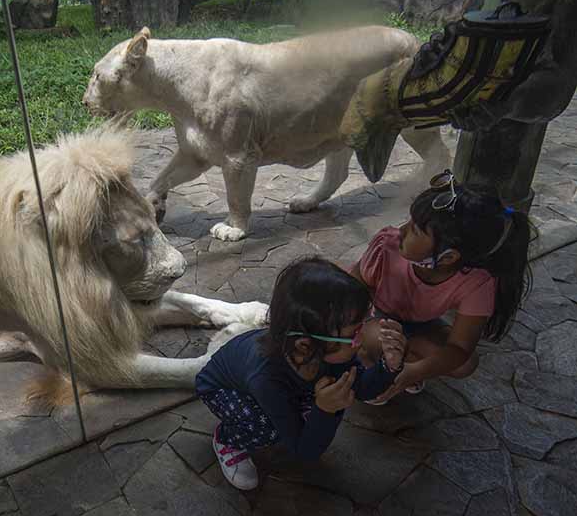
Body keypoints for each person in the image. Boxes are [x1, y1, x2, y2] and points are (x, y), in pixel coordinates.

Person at [195, 257, 406, 491]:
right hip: (220, 388)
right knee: (267, 428)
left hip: (277, 380)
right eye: (355, 332)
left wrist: (388, 365)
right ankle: (227, 438)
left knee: (301, 412)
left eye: (364, 324)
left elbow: (365, 388)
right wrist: (326, 410)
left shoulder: (328, 353)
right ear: (305, 346)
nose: (364, 337)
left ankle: (298, 411)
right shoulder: (267, 379)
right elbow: (304, 452)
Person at [350, 169, 533, 404]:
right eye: (410, 220)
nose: (402, 230)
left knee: (465, 364)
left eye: (415, 229)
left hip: (419, 325)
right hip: (373, 316)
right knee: (378, 340)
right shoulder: (388, 246)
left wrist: (413, 372)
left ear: (448, 258)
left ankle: (393, 363)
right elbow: (353, 289)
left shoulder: (478, 282)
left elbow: (460, 348)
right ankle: (377, 357)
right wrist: (359, 329)